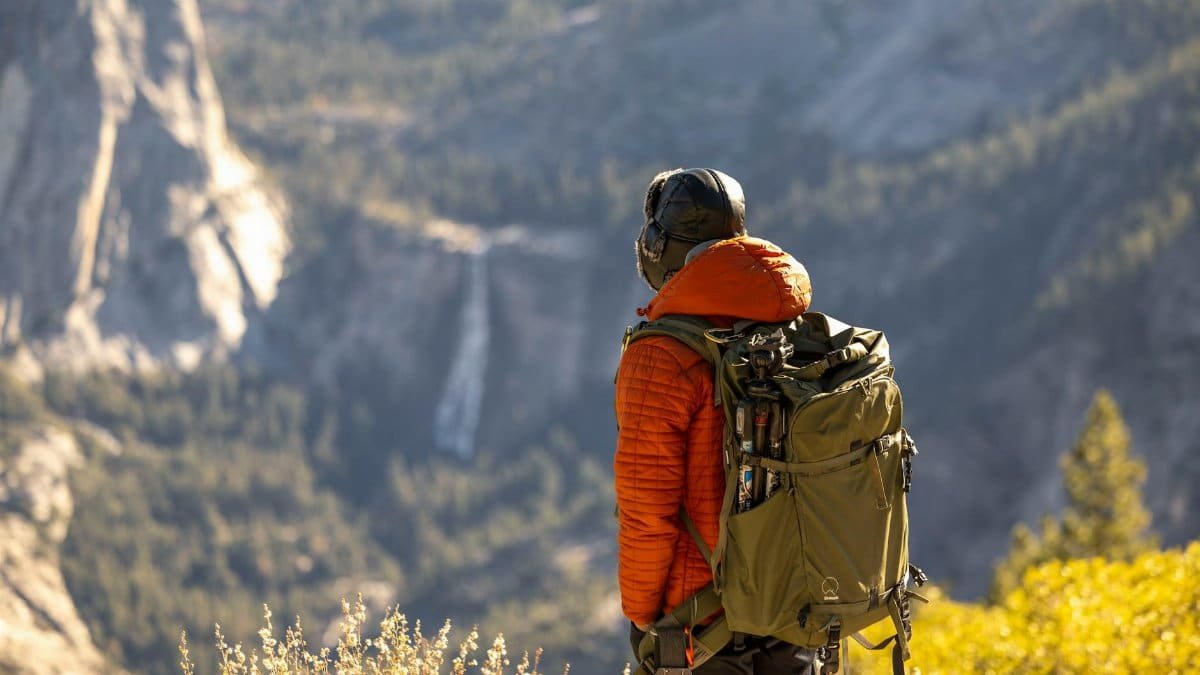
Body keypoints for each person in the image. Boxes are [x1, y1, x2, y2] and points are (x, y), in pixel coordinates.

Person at [614, 168, 816, 674]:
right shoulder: (788, 325)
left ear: (662, 248)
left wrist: (643, 618)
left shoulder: (660, 355)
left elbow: (646, 509)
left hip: (700, 627)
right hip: (794, 609)